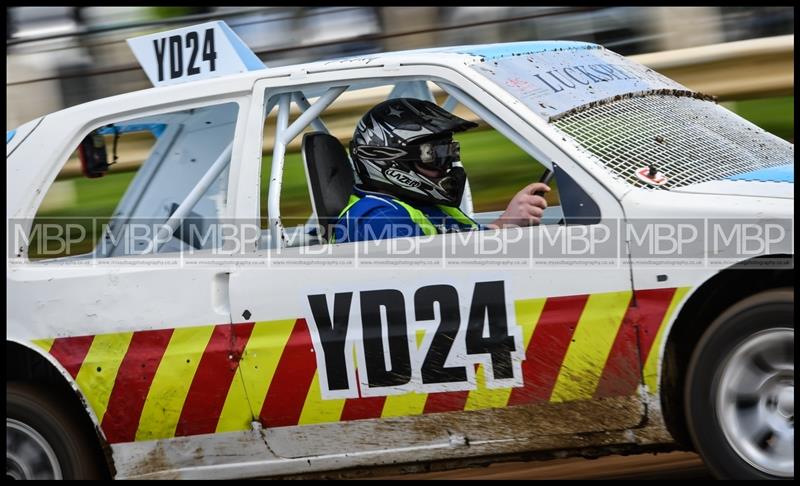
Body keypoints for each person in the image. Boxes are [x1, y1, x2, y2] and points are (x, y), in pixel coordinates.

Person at [332, 98, 550, 243]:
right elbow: (448, 281)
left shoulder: (428, 206)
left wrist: (506, 223)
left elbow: (469, 248)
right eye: (433, 155)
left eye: (450, 153)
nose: (446, 165)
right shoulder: (379, 219)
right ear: (388, 160)